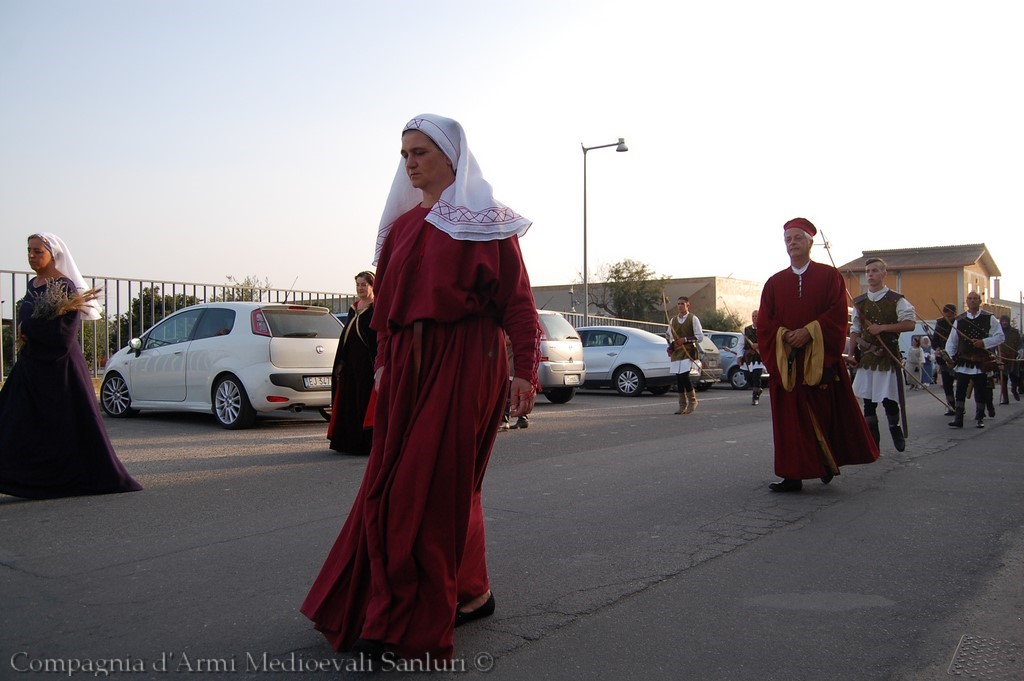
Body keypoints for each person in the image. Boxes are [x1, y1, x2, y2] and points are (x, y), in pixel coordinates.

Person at [301, 114, 539, 663]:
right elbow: (386, 314)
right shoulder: (403, 228)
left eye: (420, 152)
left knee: (423, 487)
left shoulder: (488, 222)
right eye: (404, 153)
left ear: (453, 158)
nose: (409, 162)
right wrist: (385, 363)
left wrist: (523, 370)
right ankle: (472, 592)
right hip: (407, 369)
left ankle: (396, 619)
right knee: (416, 484)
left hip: (465, 361)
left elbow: (518, 303)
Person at [0, 233, 143, 499]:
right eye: (28, 251)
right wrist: (23, 332)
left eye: (37, 251)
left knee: (65, 428)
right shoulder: (34, 284)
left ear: (52, 255)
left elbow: (64, 335)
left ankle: (64, 480)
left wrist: (28, 328)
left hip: (58, 369)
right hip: (31, 367)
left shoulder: (64, 287)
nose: (31, 256)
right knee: (10, 418)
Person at [758, 217, 879, 493]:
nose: (792, 244)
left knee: (824, 415)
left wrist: (810, 332)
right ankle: (792, 475)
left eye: (797, 238)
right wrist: (786, 335)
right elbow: (765, 321)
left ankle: (825, 461)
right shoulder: (774, 283)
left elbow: (837, 315)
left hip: (819, 359)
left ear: (810, 242)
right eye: (788, 240)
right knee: (789, 421)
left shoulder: (829, 277)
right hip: (788, 362)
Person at [848, 257, 916, 452]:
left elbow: (910, 324)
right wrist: (851, 353)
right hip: (867, 357)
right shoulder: (859, 302)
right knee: (868, 402)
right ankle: (873, 440)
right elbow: (856, 330)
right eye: (868, 271)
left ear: (884, 274)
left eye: (875, 271)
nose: (870, 274)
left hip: (888, 357)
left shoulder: (897, 300)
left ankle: (894, 428)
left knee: (888, 400)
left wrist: (883, 328)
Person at [327, 271, 377, 455]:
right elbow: (345, 337)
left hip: (367, 364)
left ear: (372, 286)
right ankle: (348, 442)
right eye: (358, 284)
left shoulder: (377, 308)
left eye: (364, 284)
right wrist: (341, 361)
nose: (360, 288)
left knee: (363, 400)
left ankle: (365, 444)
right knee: (349, 401)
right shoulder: (354, 308)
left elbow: (376, 338)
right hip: (351, 364)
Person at [945, 291, 1004, 428]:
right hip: (964, 361)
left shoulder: (989, 318)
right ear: (966, 301)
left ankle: (979, 417)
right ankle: (958, 418)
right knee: (960, 390)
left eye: (975, 299)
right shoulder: (959, 319)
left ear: (980, 301)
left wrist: (984, 342)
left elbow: (1000, 336)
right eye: (970, 298)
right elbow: (952, 342)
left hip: (980, 361)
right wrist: (949, 357)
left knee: (980, 390)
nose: (972, 301)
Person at [667, 296, 703, 414]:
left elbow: (699, 336)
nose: (680, 306)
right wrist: (671, 346)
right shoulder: (673, 320)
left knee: (684, 376)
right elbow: (669, 335)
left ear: (688, 305)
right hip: (677, 352)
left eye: (682, 303)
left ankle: (692, 401)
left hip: (688, 351)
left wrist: (686, 339)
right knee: (678, 378)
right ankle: (682, 405)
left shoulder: (693, 319)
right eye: (678, 304)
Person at [932, 304, 958, 415]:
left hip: (958, 357)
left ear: (954, 314)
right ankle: (951, 406)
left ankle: (960, 406)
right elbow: (935, 340)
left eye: (950, 316)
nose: (948, 318)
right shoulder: (940, 323)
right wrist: (937, 348)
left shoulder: (959, 322)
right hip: (944, 357)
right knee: (947, 384)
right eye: (946, 316)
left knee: (961, 384)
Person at [737, 309, 765, 405]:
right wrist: (739, 357)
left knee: (756, 376)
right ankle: (757, 389)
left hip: (759, 358)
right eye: (753, 316)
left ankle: (755, 396)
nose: (754, 318)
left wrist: (759, 345)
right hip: (748, 358)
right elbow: (740, 344)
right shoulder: (746, 330)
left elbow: (768, 342)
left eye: (756, 316)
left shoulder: (764, 329)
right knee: (748, 377)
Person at [996, 314, 1021, 404]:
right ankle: (1005, 399)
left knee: (1014, 377)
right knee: (1003, 378)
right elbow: (993, 344)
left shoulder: (1015, 332)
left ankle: (1014, 390)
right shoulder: (997, 332)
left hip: (1013, 357)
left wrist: (1021, 351)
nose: (1005, 323)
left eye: (1006, 321)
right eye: (1003, 321)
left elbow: (1020, 343)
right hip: (1001, 357)